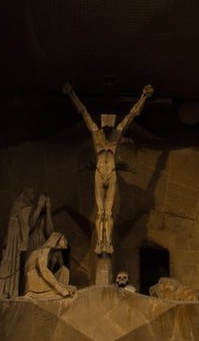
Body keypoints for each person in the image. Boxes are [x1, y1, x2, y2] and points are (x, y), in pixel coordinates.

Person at [63, 83, 154, 277]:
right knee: (101, 211)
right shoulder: (96, 133)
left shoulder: (117, 134)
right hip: (100, 172)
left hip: (110, 171)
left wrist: (143, 97)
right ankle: (100, 242)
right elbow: (83, 112)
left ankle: (107, 242)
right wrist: (72, 94)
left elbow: (131, 115)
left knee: (108, 212)